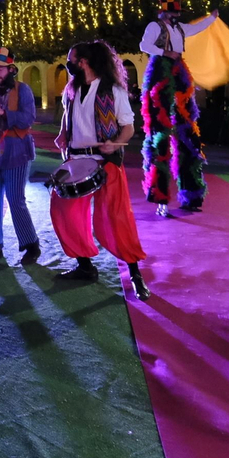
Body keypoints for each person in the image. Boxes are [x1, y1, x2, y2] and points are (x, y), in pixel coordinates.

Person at [51, 40, 150, 298]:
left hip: (105, 163)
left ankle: (135, 273)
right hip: (75, 161)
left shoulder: (113, 91)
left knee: (118, 219)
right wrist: (63, 133)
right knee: (63, 211)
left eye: (72, 59)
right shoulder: (71, 90)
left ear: (84, 62)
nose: (69, 63)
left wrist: (114, 144)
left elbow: (128, 127)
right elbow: (66, 113)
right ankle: (85, 265)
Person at [139, 0, 218, 216]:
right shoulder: (155, 26)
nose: (175, 16)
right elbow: (144, 44)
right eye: (172, 12)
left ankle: (191, 194)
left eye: (177, 13)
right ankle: (160, 197)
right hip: (161, 71)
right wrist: (164, 51)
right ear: (163, 11)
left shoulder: (181, 28)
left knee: (187, 128)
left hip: (178, 70)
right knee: (160, 131)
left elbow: (196, 28)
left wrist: (212, 18)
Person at [0, 47, 40, 265]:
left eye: (1, 68)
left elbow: (28, 119)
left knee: (15, 200)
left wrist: (3, 113)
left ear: (11, 69)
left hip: (17, 151)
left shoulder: (23, 90)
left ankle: (31, 245)